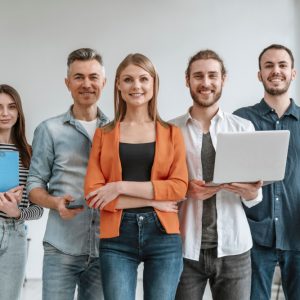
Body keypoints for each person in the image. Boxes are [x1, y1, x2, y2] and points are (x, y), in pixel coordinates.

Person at [84, 53, 188, 300]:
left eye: (143, 79)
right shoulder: (104, 134)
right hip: (117, 238)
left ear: (154, 84)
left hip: (164, 237)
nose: (136, 86)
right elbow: (93, 196)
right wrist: (153, 200)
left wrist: (119, 186)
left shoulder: (172, 133)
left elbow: (179, 188)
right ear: (118, 85)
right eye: (128, 80)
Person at [171, 50, 262, 300]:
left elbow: (255, 196)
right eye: (198, 76)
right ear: (187, 79)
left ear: (223, 79)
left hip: (234, 248)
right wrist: (184, 190)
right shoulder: (170, 130)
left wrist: (251, 191)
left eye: (213, 75)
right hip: (185, 249)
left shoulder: (243, 128)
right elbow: (162, 189)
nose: (206, 82)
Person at [27, 48, 109, 300]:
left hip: (105, 247)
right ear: (67, 83)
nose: (87, 84)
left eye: (93, 77)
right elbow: (34, 184)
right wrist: (54, 202)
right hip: (61, 247)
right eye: (78, 77)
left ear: (103, 82)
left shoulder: (117, 131)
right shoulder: (49, 130)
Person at [234, 44, 300, 300]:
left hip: (297, 233)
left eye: (282, 65)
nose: (276, 71)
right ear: (259, 74)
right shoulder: (241, 120)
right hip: (253, 237)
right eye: (269, 65)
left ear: (293, 72)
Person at [0, 84, 43, 300]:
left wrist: (17, 213)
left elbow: (38, 210)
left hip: (15, 232)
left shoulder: (30, 154)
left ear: (19, 111)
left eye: (11, 107)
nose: (5, 113)